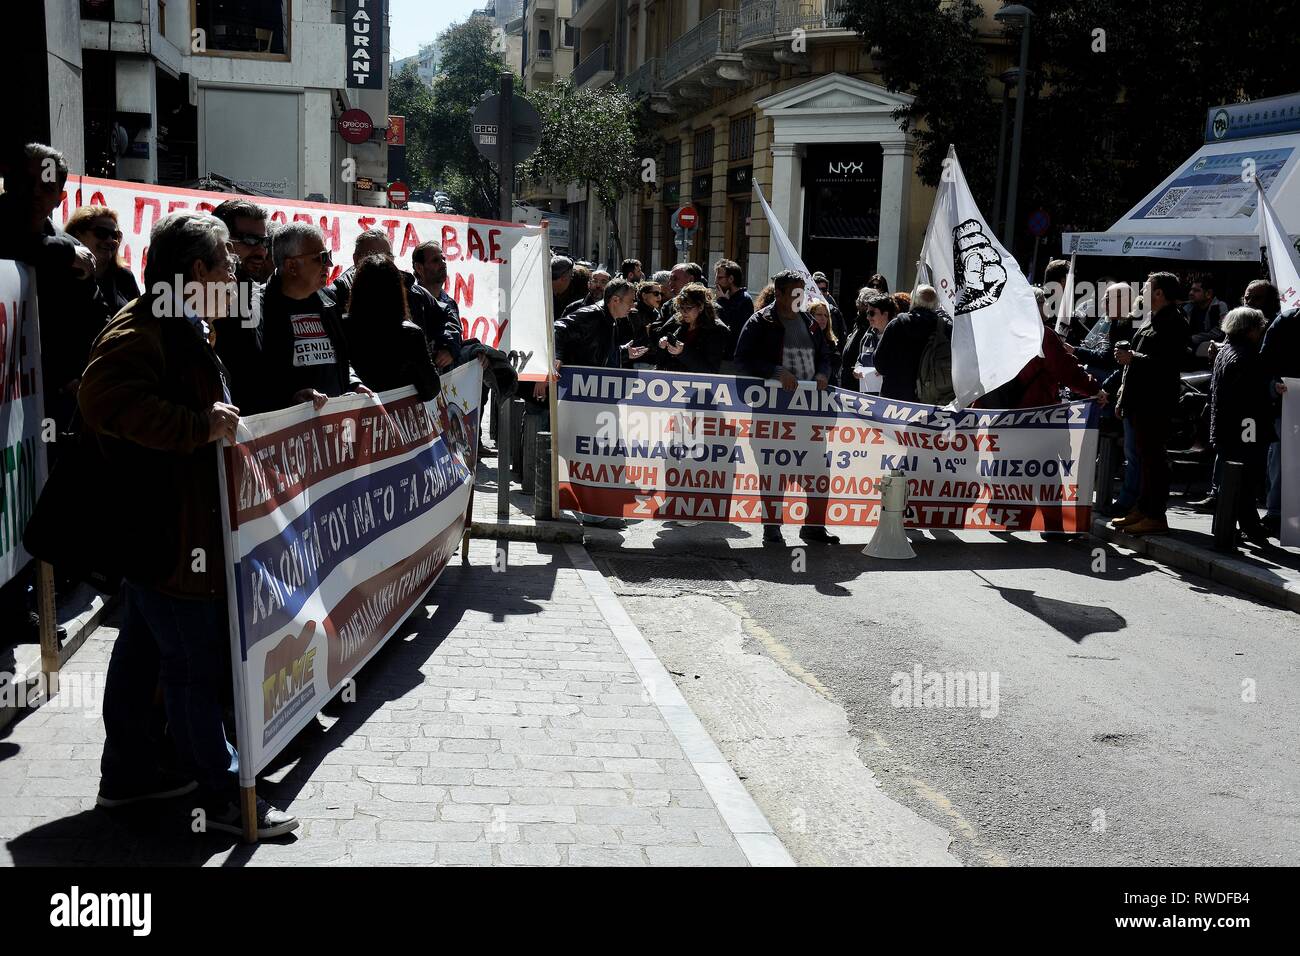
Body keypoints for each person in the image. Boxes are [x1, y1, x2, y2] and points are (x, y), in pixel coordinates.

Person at [79, 210, 297, 839]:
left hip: (168, 533)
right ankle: (225, 796)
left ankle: (131, 776)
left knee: (146, 652)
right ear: (197, 271)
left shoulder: (180, 324)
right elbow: (103, 402)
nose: (235, 272)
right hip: (171, 536)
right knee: (193, 667)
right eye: (227, 262)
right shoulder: (145, 328)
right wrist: (198, 426)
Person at [734, 269, 837, 545]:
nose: (799, 297)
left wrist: (823, 373)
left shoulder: (810, 323)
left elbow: (825, 355)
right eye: (793, 292)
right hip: (772, 414)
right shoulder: (760, 322)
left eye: (801, 292)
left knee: (817, 471)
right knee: (773, 473)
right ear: (778, 293)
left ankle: (813, 526)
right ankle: (772, 527)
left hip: (809, 415)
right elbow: (742, 361)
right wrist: (775, 372)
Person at [249, 221, 371, 414]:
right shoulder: (256, 307)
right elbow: (252, 377)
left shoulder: (329, 300)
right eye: (320, 258)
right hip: (289, 432)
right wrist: (290, 398)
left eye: (328, 256)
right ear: (291, 266)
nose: (329, 264)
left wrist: (353, 383)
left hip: (333, 430)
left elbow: (341, 358)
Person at [1111, 272, 1191, 536]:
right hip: (1139, 400)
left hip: (1155, 402)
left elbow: (1167, 364)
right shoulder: (1151, 319)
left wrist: (1134, 357)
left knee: (1154, 460)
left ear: (1159, 293)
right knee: (1144, 458)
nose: (1142, 292)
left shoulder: (1174, 322)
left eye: (1146, 287)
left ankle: (1155, 515)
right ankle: (1143, 509)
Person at [1208, 306, 1273, 546]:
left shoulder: (1226, 351)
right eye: (1259, 326)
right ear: (1250, 329)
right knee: (1245, 477)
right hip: (1245, 426)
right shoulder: (1247, 356)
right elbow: (1250, 399)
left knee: (1234, 479)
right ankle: (1244, 526)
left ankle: (1238, 526)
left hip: (1227, 425)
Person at [345, 255, 440, 401]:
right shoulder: (411, 334)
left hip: (351, 417)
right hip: (397, 418)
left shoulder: (342, 326)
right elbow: (431, 389)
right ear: (398, 290)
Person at [1258, 282, 1295, 538]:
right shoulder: (1287, 321)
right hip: (1289, 405)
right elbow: (1263, 363)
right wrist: (1273, 385)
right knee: (1282, 459)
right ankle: (1275, 514)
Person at [873, 284, 947, 403]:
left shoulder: (896, 325)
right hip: (933, 401)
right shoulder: (945, 328)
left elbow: (880, 364)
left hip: (896, 401)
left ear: (913, 301)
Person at [553, 277, 647, 370]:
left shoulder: (611, 319)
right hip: (577, 380)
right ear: (615, 300)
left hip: (591, 380)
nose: (633, 306)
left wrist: (624, 352)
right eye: (631, 301)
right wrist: (557, 357)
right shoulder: (593, 314)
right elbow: (557, 327)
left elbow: (598, 352)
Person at [65, 205, 142, 316]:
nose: (110, 240)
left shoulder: (124, 277)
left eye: (115, 235)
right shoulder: (62, 273)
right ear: (78, 235)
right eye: (101, 233)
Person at [410, 240, 465, 369]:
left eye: (443, 258)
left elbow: (457, 340)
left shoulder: (450, 303)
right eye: (435, 260)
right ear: (419, 268)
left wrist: (451, 350)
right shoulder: (411, 300)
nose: (443, 264)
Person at [654, 282, 731, 374]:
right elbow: (661, 361)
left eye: (689, 307)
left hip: (700, 385)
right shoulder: (677, 322)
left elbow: (710, 370)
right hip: (674, 381)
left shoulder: (716, 330)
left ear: (701, 307)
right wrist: (663, 346)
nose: (684, 312)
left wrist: (683, 352)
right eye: (681, 307)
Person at [841, 290, 896, 391]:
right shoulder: (867, 336)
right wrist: (857, 369)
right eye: (867, 313)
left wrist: (886, 370)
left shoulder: (897, 337)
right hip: (867, 396)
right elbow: (860, 360)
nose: (867, 317)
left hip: (889, 396)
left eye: (871, 313)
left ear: (885, 314)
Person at [211, 198, 272, 284]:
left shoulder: (255, 294)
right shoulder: (191, 292)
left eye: (265, 241)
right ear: (221, 241)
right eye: (251, 240)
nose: (261, 252)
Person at [714, 257, 754, 363]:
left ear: (731, 279)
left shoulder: (744, 299)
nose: (716, 281)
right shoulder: (724, 298)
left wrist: (722, 301)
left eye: (720, 278)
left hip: (734, 358)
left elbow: (733, 327)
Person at [1185, 275, 1228, 359]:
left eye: (1196, 290)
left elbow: (1220, 330)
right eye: (1191, 290)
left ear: (1208, 293)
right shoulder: (1189, 308)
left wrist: (1193, 338)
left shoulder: (1219, 306)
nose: (1191, 293)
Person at [623, 279, 662, 367]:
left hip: (652, 361)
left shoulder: (656, 312)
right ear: (644, 295)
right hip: (637, 361)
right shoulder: (634, 313)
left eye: (660, 294)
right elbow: (632, 340)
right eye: (656, 293)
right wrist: (647, 332)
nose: (659, 297)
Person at [812, 271, 848, 346]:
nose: (821, 292)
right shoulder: (804, 309)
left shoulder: (834, 311)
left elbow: (841, 332)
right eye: (818, 289)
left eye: (824, 290)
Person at [809, 300, 841, 380]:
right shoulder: (805, 339)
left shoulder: (832, 342)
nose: (823, 318)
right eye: (819, 315)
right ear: (810, 316)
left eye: (826, 315)